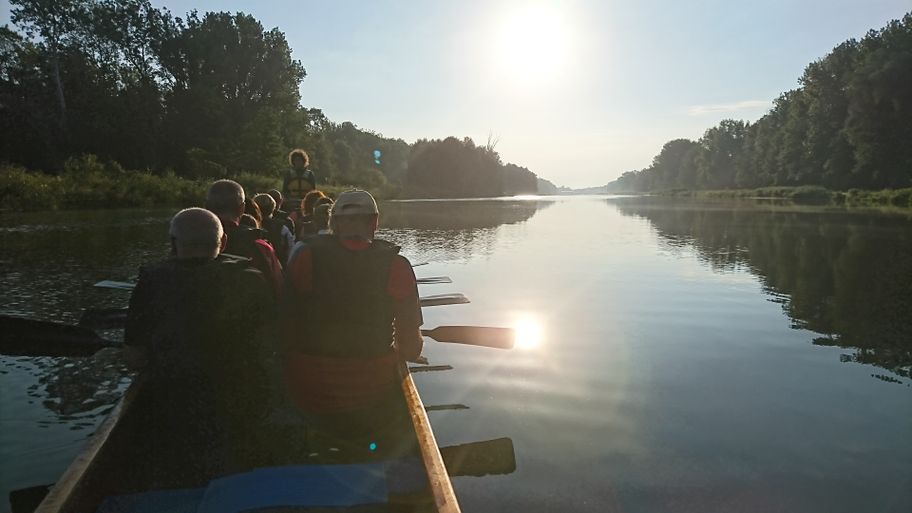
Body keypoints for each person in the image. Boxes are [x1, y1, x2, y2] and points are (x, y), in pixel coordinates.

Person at [123, 208, 276, 482]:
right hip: (241, 400)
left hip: (175, 404)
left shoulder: (151, 282)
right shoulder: (251, 278)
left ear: (172, 245)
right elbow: (268, 345)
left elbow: (134, 358)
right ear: (224, 242)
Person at [282, 190, 423, 443]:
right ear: (375, 222)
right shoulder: (398, 266)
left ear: (333, 223)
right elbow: (412, 349)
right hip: (372, 395)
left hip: (308, 392)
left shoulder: (304, 255)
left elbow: (286, 324)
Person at [205, 180, 283, 297]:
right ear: (242, 208)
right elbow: (278, 288)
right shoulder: (261, 246)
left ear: (206, 206)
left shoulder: (187, 241)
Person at [254, 192, 295, 266]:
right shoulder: (282, 228)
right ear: (273, 208)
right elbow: (291, 251)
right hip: (278, 265)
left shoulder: (249, 225)